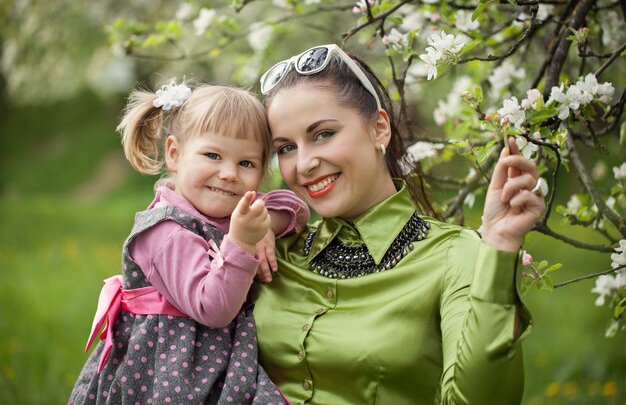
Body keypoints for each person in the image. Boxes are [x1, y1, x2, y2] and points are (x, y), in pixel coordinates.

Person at [251, 44, 546, 405]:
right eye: (286, 148)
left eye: (324, 134)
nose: (304, 164)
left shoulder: (456, 255)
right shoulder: (271, 253)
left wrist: (499, 247)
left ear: (378, 129)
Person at [69, 81, 309, 405]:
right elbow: (213, 308)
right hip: (167, 372)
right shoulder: (165, 231)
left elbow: (297, 209)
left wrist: (263, 225)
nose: (228, 174)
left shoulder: (232, 210)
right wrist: (241, 241)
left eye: (246, 163)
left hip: (219, 364)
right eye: (213, 155)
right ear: (175, 154)